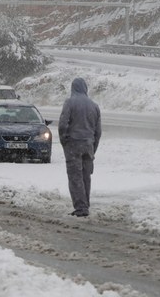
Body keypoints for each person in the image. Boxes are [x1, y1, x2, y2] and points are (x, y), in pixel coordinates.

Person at [58, 77, 102, 217]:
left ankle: (81, 207)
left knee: (75, 176)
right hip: (88, 145)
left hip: (73, 145)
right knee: (85, 176)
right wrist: (93, 147)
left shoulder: (70, 103)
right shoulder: (94, 106)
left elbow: (63, 124)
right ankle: (85, 204)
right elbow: (98, 131)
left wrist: (64, 141)